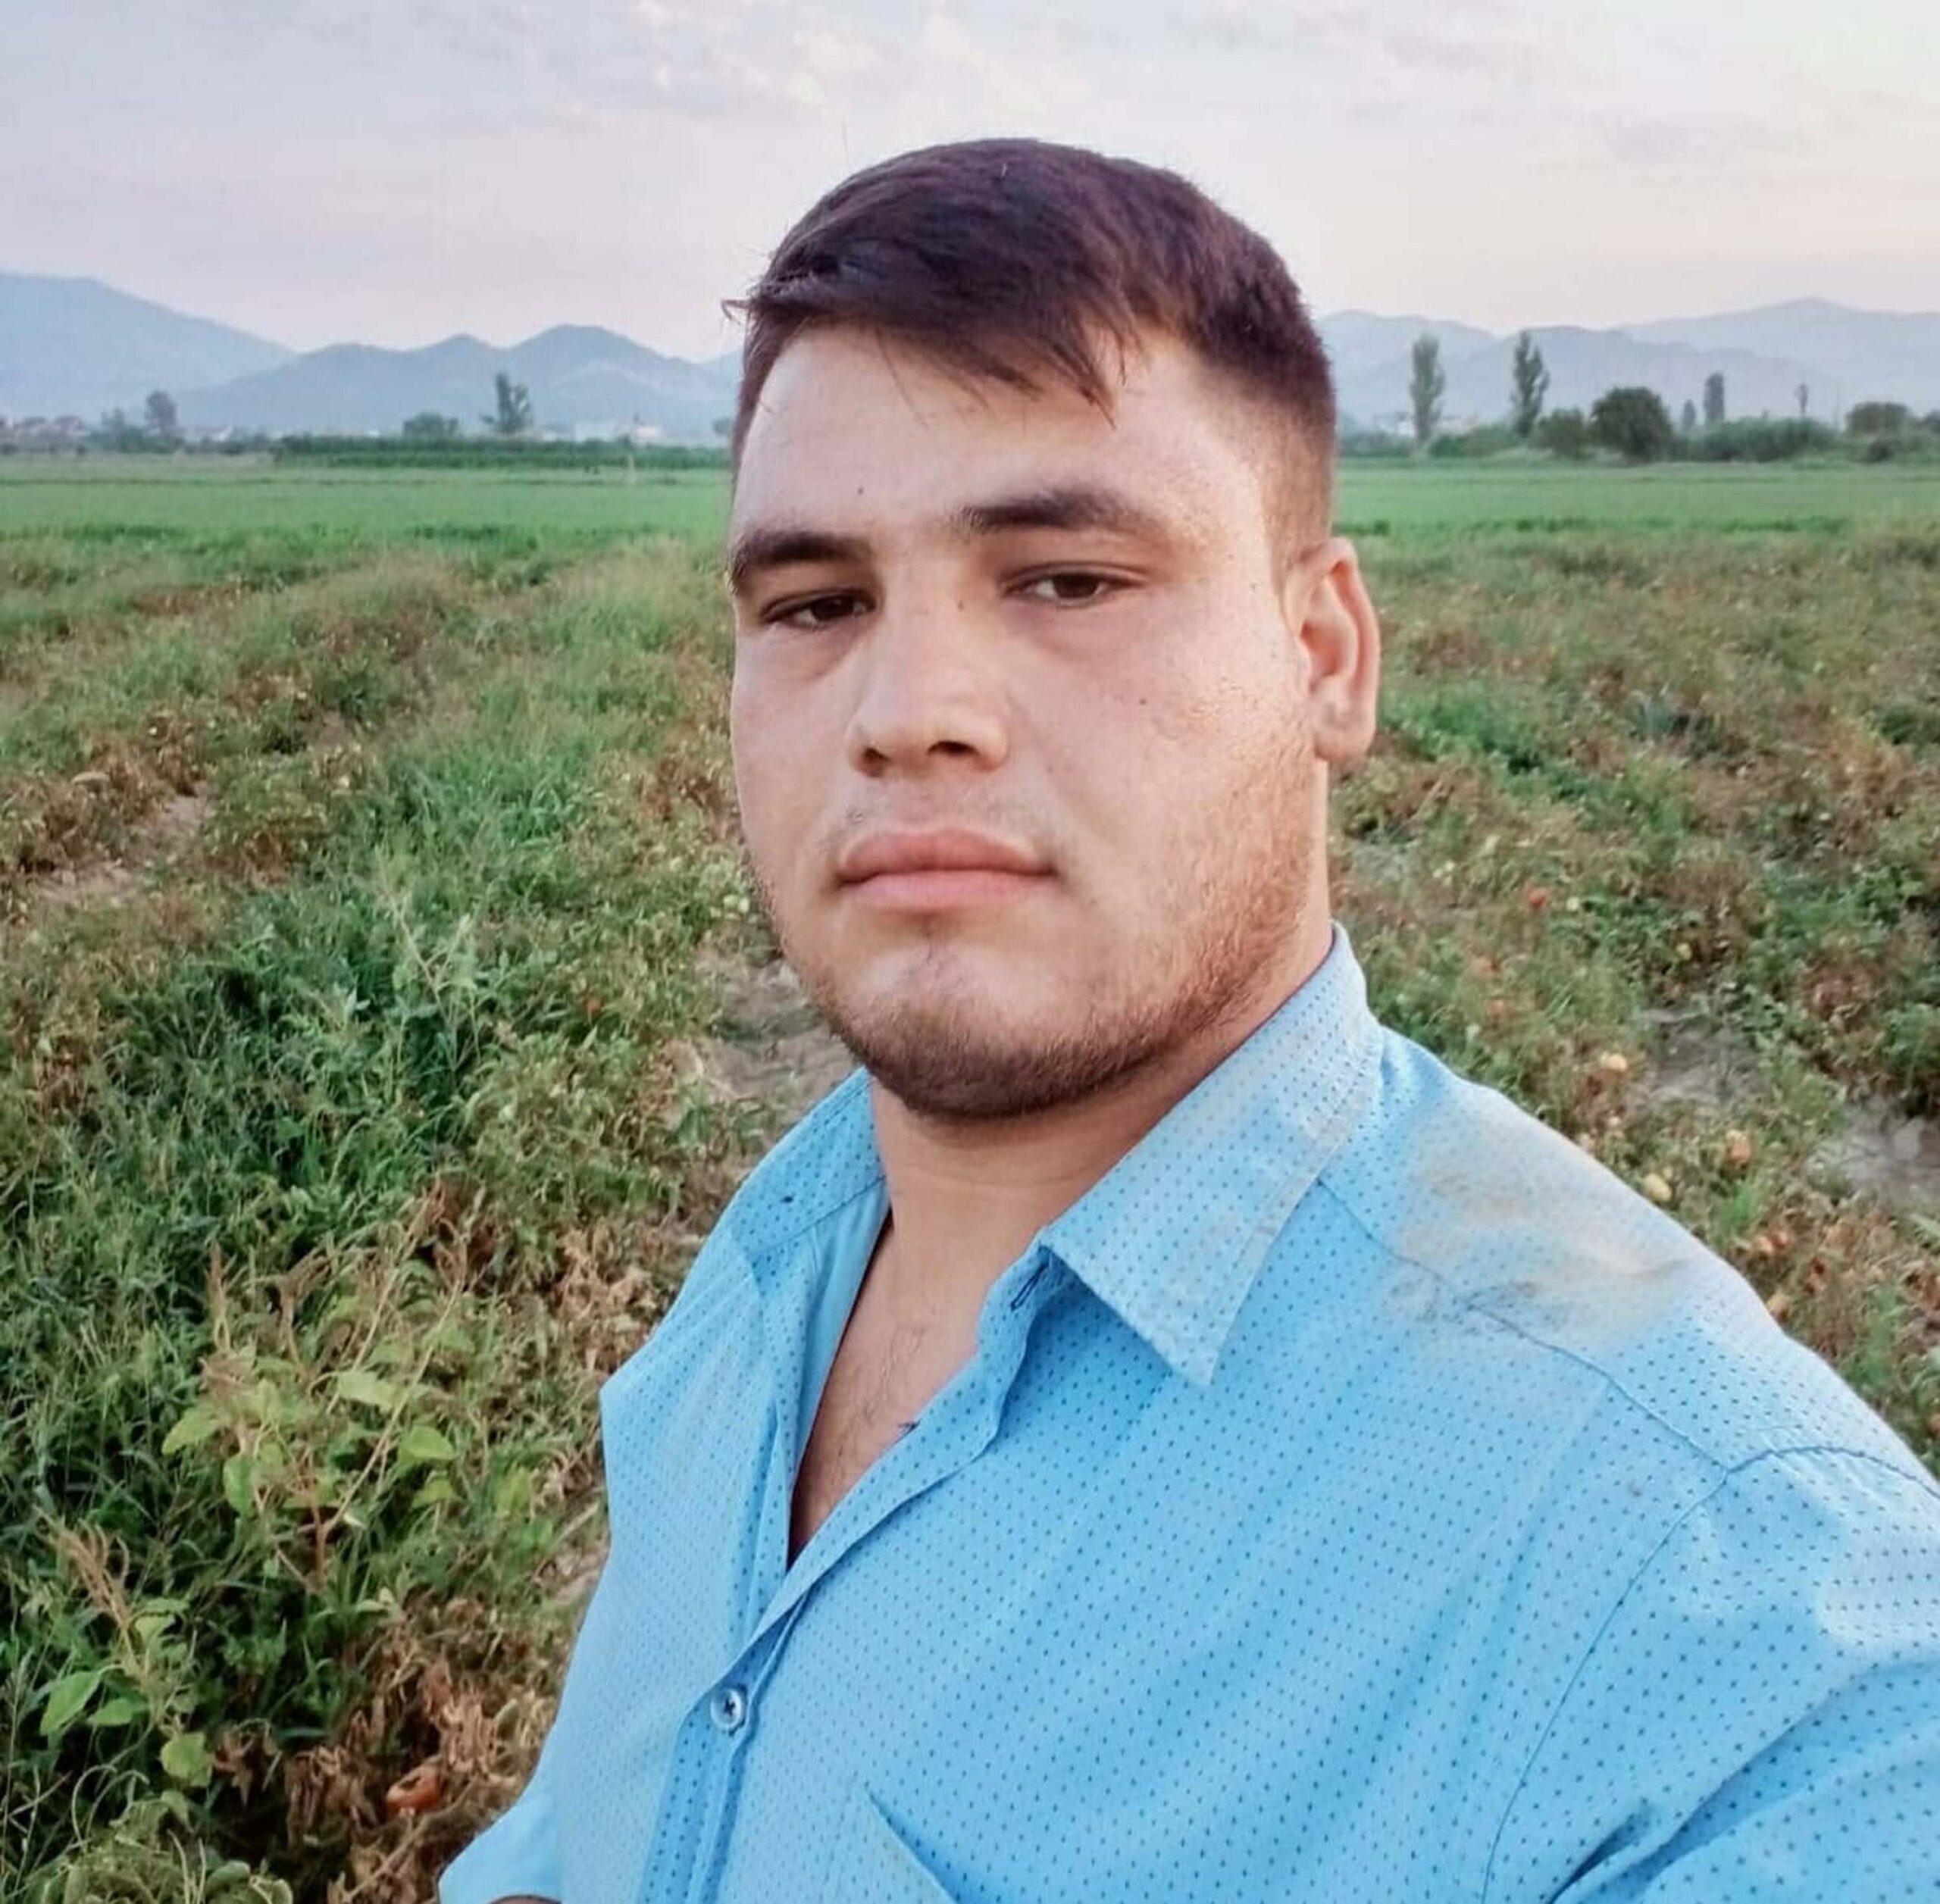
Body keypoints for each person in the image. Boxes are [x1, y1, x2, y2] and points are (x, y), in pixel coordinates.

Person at [441, 139, 1940, 1904]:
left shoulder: (1716, 1626)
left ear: (1324, 656)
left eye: (1065, 579)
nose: (906, 710)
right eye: (814, 605)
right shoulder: (774, 1264)